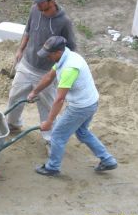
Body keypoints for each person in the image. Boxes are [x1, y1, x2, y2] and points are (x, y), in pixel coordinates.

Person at [27, 36, 117, 176]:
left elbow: (59, 99)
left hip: (80, 107)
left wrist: (49, 122)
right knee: (82, 132)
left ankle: (52, 167)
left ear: (57, 52)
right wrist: (35, 91)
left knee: (57, 135)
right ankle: (108, 160)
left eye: (49, 55)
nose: (47, 57)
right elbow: (49, 77)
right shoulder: (66, 57)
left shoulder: (70, 68)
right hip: (91, 102)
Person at [6, 0, 76, 144]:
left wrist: (59, 69)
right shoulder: (34, 10)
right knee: (15, 97)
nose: (37, 4)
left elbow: (70, 48)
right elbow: (28, 31)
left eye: (41, 1)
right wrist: (20, 50)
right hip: (27, 64)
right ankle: (13, 125)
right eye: (36, 0)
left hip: (47, 72)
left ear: (52, 1)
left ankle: (50, 138)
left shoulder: (64, 22)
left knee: (47, 106)